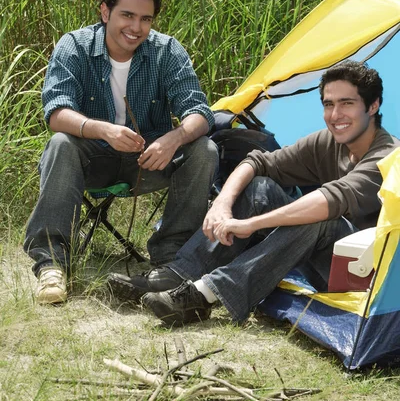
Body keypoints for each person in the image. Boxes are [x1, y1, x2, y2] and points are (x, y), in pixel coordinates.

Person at [109, 61, 399, 324]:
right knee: (261, 186)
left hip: (367, 278)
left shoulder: (387, 157)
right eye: (328, 104)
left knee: (321, 217)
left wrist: (250, 224)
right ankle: (177, 275)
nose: (335, 115)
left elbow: (329, 201)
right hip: (321, 260)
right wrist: (222, 203)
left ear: (372, 106)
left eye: (347, 103)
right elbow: (257, 161)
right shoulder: (329, 142)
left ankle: (206, 294)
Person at [24, 0, 218, 304]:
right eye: (127, 15)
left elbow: (200, 112)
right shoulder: (75, 46)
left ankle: (171, 256)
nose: (136, 28)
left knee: (205, 148)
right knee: (60, 144)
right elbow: (56, 113)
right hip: (91, 159)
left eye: (146, 19)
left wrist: (174, 138)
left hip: (148, 160)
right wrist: (104, 130)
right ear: (104, 12)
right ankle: (52, 265)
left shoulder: (167, 51)